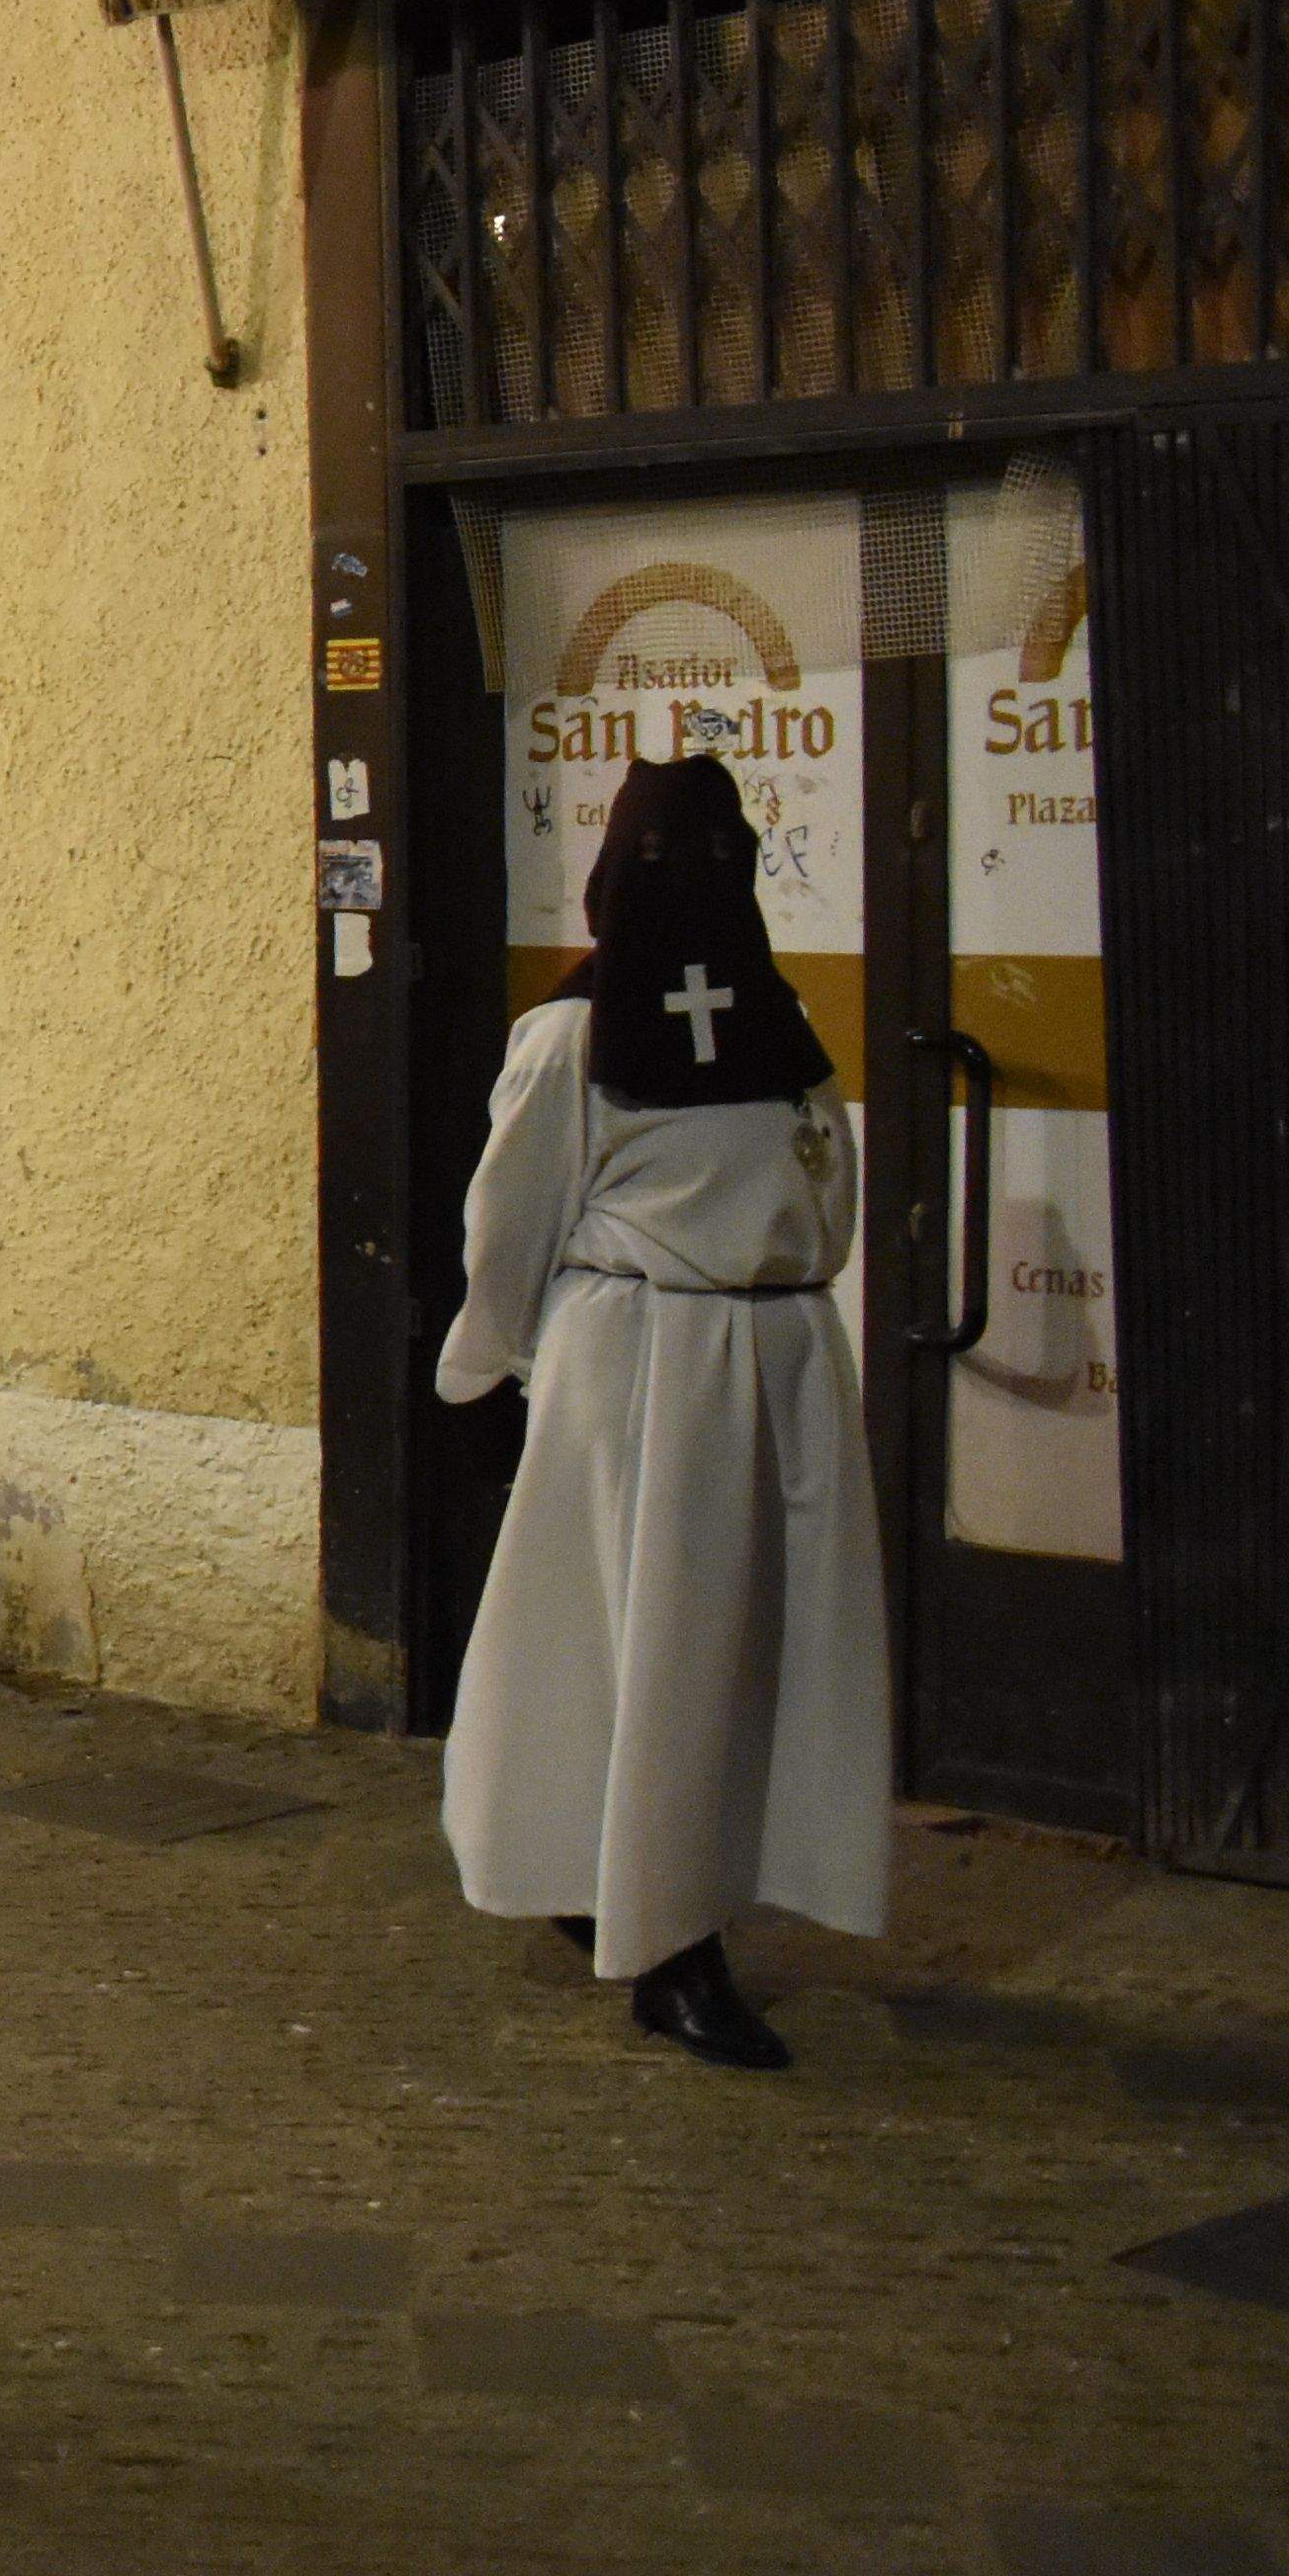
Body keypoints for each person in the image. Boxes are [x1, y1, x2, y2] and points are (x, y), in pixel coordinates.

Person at [432, 755, 889, 2069]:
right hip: (645, 1369)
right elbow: (509, 1220)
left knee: (737, 1658)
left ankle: (632, 1884)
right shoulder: (573, 1041)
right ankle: (669, 1951)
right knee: (655, 1656)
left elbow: (821, 1195)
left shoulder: (777, 1029)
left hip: (777, 1363)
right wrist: (498, 1362)